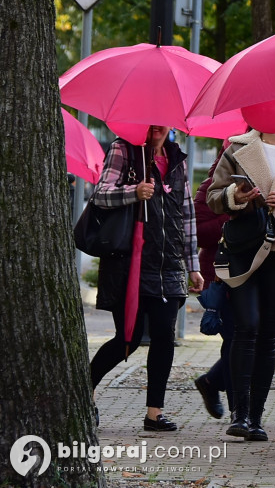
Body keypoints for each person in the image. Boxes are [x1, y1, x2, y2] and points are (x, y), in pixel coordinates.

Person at [90, 125, 203, 431]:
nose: (157, 127)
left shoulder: (177, 158)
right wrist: (133, 192)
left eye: (163, 121)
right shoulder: (124, 149)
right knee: (128, 339)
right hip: (131, 262)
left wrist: (193, 264)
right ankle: (84, 392)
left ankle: (154, 413)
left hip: (168, 265)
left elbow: (186, 213)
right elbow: (100, 194)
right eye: (151, 122)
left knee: (165, 336)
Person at [206, 98, 275, 442]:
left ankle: (255, 418)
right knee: (247, 327)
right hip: (245, 251)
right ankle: (239, 415)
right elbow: (213, 196)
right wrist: (237, 195)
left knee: (269, 335)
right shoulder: (238, 147)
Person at [193, 154, 233, 422]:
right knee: (235, 338)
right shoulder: (211, 186)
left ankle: (212, 382)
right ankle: (237, 408)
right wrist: (230, 216)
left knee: (243, 339)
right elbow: (197, 232)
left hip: (254, 269)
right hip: (220, 274)